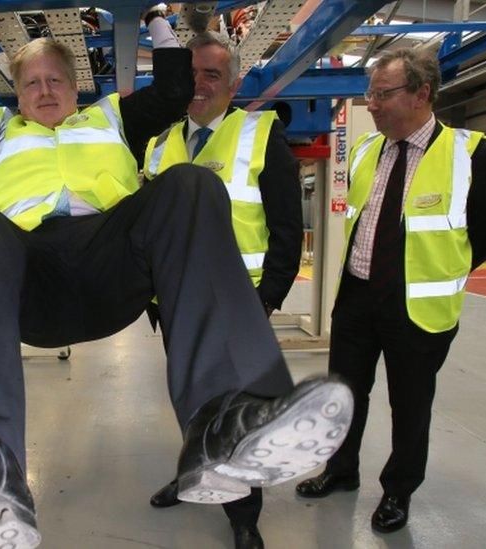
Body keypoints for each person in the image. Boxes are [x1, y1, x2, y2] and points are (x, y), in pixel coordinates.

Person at [0, 13, 352, 548]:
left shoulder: (111, 119)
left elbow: (172, 89)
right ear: (18, 95)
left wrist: (158, 21)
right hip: (32, 275)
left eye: (56, 80)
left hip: (111, 260)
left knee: (190, 185)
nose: (44, 89)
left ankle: (228, 419)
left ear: (75, 90)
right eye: (31, 82)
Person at [294, 48, 486, 534]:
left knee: (409, 403)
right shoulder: (369, 150)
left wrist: (437, 268)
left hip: (417, 307)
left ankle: (398, 490)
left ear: (421, 94)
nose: (372, 103)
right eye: (369, 93)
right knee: (345, 393)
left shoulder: (472, 153)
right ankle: (340, 470)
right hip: (357, 297)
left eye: (383, 93)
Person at [142, 31, 303, 549]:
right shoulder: (157, 144)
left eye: (211, 74)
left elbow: (286, 227)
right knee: (191, 401)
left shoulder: (260, 135)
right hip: (177, 305)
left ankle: (243, 514)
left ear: (233, 84)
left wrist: (268, 297)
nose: (199, 84)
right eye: (190, 74)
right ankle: (193, 475)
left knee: (238, 412)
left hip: (240, 305)